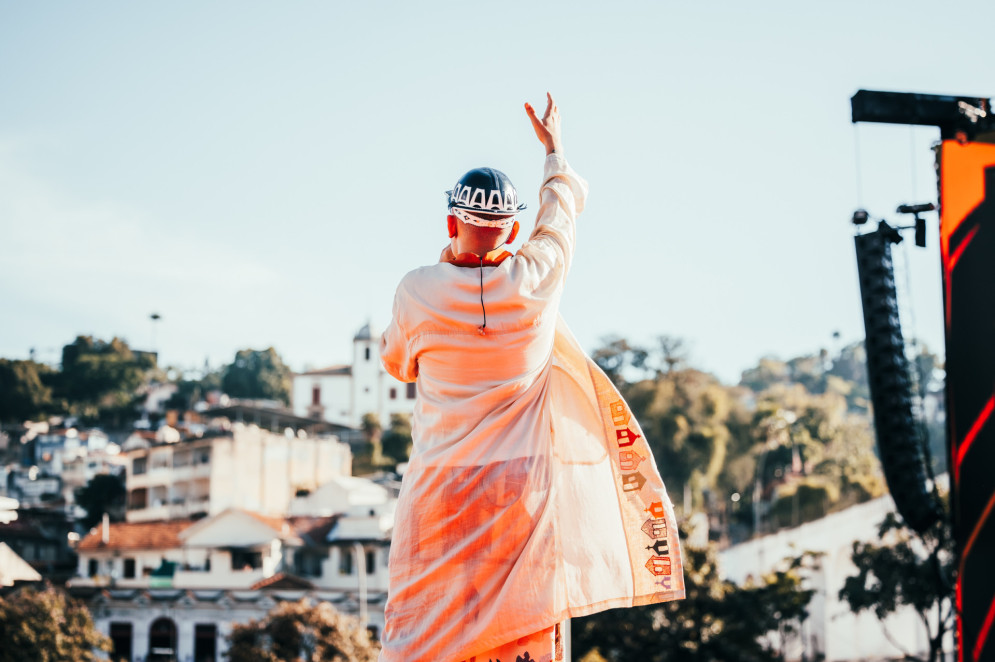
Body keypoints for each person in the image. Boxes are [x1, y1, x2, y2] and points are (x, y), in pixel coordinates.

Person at [379, 94, 684, 662]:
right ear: (513, 227)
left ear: (451, 221)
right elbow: (560, 215)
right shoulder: (536, 279)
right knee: (525, 627)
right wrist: (554, 150)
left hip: (440, 487)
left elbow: (397, 363)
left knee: (421, 631)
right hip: (520, 490)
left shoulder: (416, 291)